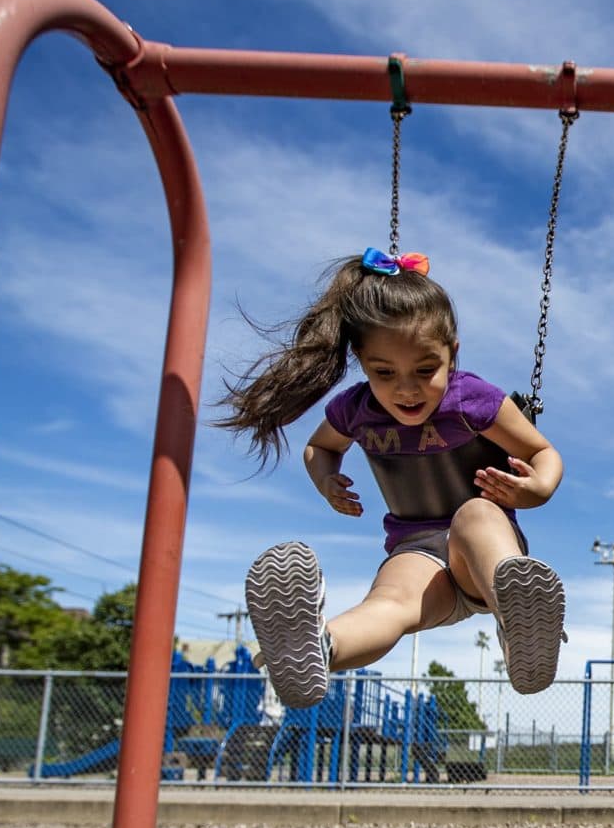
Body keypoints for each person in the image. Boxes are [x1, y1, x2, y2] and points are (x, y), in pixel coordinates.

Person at [217, 249, 565, 708]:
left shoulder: (472, 399)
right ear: (361, 359)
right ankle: (315, 650)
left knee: (476, 513)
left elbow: (541, 451)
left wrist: (537, 488)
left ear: (451, 355)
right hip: (415, 550)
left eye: (426, 370)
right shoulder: (356, 409)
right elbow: (319, 447)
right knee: (389, 606)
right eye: (384, 373)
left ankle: (518, 617)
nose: (406, 388)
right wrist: (327, 480)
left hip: (481, 558)